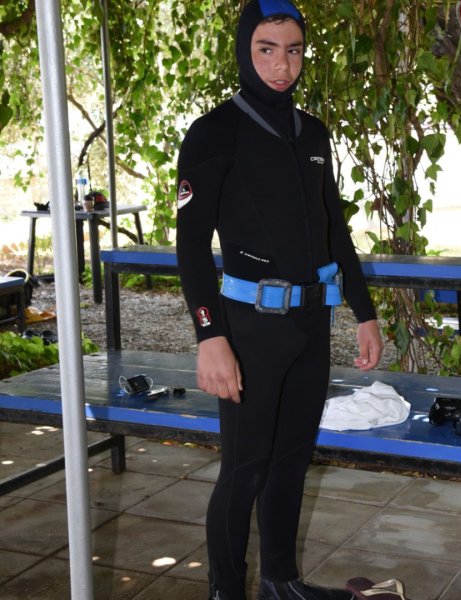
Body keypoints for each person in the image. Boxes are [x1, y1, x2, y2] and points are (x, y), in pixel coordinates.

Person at [176, 1, 383, 599]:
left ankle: (281, 583)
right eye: (266, 49)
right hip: (248, 328)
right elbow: (191, 246)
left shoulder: (312, 133)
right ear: (246, 50)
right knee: (244, 470)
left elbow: (334, 229)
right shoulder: (214, 132)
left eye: (292, 51)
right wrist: (210, 336)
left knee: (291, 461)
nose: (281, 65)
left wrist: (364, 313)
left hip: (311, 324)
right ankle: (225, 590)